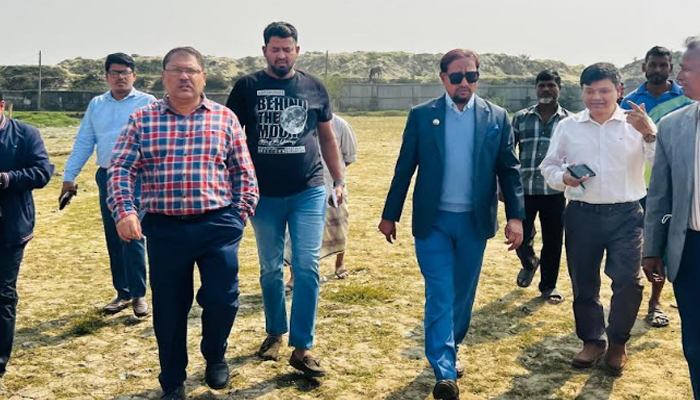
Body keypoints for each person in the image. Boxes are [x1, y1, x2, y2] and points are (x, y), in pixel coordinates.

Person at [107, 47, 258, 400]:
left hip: (217, 225)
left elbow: (243, 172)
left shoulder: (224, 119)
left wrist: (238, 214)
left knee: (223, 299)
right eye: (176, 70)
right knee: (170, 308)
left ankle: (215, 354)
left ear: (203, 77)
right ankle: (173, 379)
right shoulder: (142, 120)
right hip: (165, 228)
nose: (184, 77)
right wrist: (125, 211)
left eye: (191, 71)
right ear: (164, 77)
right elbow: (120, 169)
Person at [379, 49, 525, 400]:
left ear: (478, 77)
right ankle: (444, 370)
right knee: (440, 292)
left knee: (462, 294)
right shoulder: (421, 115)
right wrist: (390, 214)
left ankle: (452, 345)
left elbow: (509, 170)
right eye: (457, 76)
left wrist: (515, 217)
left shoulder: (497, 117)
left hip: (474, 222)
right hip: (434, 222)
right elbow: (404, 168)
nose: (464, 83)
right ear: (443, 78)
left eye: (471, 76)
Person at [226, 21, 345, 378]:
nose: (281, 55)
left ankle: (303, 347)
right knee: (270, 267)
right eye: (275, 49)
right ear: (265, 50)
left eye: (287, 49)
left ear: (297, 51)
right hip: (262, 194)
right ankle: (275, 331)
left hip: (308, 189)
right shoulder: (247, 87)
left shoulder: (314, 86)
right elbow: (230, 136)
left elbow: (327, 138)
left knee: (307, 266)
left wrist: (338, 179)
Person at [540, 62, 657, 373]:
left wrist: (649, 133)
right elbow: (548, 166)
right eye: (589, 91)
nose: (596, 97)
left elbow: (660, 163)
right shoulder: (569, 126)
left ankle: (618, 341)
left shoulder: (636, 124)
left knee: (628, 281)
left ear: (618, 91)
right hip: (582, 214)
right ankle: (592, 340)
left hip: (626, 215)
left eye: (604, 90)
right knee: (584, 282)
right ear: (582, 92)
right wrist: (564, 178)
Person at [61, 53, 156, 317]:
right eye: (115, 72)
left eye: (125, 72)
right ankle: (123, 292)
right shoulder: (97, 104)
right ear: (107, 76)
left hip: (137, 176)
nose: (120, 77)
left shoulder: (148, 102)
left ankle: (138, 294)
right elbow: (84, 141)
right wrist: (69, 177)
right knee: (114, 234)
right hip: (107, 176)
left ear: (134, 75)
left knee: (132, 233)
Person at [622, 46, 695, 328]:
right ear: (644, 67)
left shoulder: (685, 98)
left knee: (663, 246)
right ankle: (628, 301)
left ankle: (655, 303)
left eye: (663, 65)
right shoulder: (629, 101)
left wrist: (649, 131)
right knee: (636, 245)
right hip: (636, 185)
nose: (658, 70)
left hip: (673, 188)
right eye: (653, 65)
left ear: (670, 67)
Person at [644, 36, 700, 400]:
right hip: (690, 252)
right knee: (695, 344)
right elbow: (660, 194)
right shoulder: (673, 126)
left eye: (686, 69)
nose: (678, 76)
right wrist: (653, 249)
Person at [0, 87, 53, 382]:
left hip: (10, 225)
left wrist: (7, 179)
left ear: (2, 106)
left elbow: (43, 171)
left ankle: (0, 359)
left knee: (3, 293)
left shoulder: (25, 133)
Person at [512, 70, 570, 303]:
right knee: (521, 237)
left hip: (554, 191)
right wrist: (502, 184)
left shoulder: (569, 121)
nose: (546, 89)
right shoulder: (521, 118)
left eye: (551, 85)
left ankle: (548, 286)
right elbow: (507, 153)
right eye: (541, 85)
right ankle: (529, 262)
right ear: (535, 89)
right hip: (524, 190)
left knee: (553, 240)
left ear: (559, 89)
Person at [285, 114, 357, 294]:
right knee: (295, 232)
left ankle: (339, 264)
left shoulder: (341, 125)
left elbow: (348, 157)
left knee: (339, 226)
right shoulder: (297, 122)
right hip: (302, 187)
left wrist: (334, 176)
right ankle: (294, 276)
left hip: (332, 187)